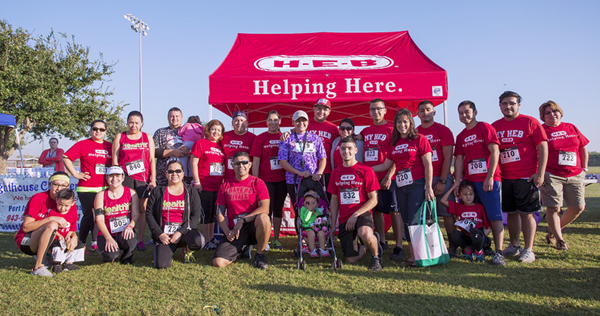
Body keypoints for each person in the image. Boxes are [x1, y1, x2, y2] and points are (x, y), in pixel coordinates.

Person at [372, 108, 434, 267]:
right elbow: (386, 164)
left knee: (414, 220)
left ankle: (419, 256)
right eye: (399, 122)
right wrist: (367, 169)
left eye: (405, 121)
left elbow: (428, 164)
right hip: (401, 186)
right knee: (406, 220)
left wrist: (428, 186)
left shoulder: (420, 139)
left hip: (417, 184)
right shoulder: (395, 143)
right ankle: (414, 255)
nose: (402, 125)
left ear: (411, 123)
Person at [492, 91, 548, 264]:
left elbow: (543, 147)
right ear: (499, 105)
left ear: (518, 105)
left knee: (527, 213)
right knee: (511, 213)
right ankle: (514, 244)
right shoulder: (495, 126)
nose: (508, 107)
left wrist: (540, 173)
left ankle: (528, 249)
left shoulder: (530, 122)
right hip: (505, 177)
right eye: (504, 103)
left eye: (512, 103)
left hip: (526, 176)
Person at [453, 100, 506, 266]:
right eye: (461, 113)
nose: (464, 115)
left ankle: (499, 253)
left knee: (494, 216)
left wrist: (490, 176)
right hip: (470, 183)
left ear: (475, 112)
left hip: (488, 181)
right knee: (473, 217)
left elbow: (495, 151)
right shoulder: (461, 136)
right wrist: (457, 183)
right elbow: (459, 160)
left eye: (467, 112)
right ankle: (480, 246)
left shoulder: (485, 128)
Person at [539, 101, 589, 251]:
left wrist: (584, 168)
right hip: (552, 174)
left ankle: (553, 230)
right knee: (554, 208)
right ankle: (559, 240)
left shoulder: (571, 127)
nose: (552, 114)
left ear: (560, 112)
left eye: (554, 111)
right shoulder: (541, 130)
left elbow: (583, 147)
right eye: (547, 113)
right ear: (542, 116)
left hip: (575, 174)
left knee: (578, 207)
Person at [329, 137, 382, 271]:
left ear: (356, 150)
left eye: (350, 148)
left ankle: (376, 257)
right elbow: (334, 201)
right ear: (339, 151)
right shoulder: (335, 173)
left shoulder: (366, 170)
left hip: (362, 213)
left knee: (364, 232)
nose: (346, 151)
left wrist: (356, 214)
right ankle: (364, 247)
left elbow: (373, 200)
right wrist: (332, 224)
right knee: (350, 259)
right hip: (345, 218)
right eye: (343, 148)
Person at [213, 152, 271, 269]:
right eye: (237, 163)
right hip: (235, 230)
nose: (241, 166)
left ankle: (260, 255)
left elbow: (265, 208)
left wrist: (242, 220)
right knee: (218, 262)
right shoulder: (225, 185)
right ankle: (243, 248)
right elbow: (219, 213)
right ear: (232, 165)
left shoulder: (258, 183)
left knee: (264, 218)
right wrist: (226, 231)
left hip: (253, 225)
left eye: (244, 162)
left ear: (249, 164)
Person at [360, 99, 402, 260]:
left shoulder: (392, 129)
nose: (375, 112)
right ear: (369, 111)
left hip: (388, 178)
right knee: (376, 210)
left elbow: (397, 154)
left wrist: (389, 175)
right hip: (371, 178)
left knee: (395, 211)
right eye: (372, 109)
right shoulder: (365, 131)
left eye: (379, 109)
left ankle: (398, 246)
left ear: (385, 110)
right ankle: (382, 241)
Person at [63, 120, 112, 252]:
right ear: (90, 130)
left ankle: (97, 241)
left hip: (105, 187)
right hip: (87, 187)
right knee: (90, 215)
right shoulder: (83, 144)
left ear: (105, 131)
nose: (98, 132)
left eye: (101, 129)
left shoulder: (110, 146)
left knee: (101, 215)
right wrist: (75, 174)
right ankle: (82, 242)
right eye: (95, 129)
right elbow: (66, 157)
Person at [14, 172, 76, 276]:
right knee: (52, 225)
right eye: (55, 184)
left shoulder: (68, 201)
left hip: (52, 238)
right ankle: (38, 267)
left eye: (63, 185)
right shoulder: (39, 198)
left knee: (78, 245)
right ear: (49, 184)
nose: (59, 188)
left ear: (68, 187)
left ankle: (51, 258)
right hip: (27, 240)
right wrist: (50, 218)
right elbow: (26, 227)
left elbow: (71, 226)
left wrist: (74, 236)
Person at [416, 100, 457, 256]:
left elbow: (448, 158)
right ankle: (430, 245)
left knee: (446, 213)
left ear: (434, 112)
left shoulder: (443, 130)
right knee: (426, 215)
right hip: (422, 179)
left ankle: (452, 245)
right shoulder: (416, 132)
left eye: (428, 109)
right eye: (421, 110)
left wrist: (443, 181)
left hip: (441, 177)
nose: (425, 113)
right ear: (417, 114)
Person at [146, 160, 205, 268]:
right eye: (171, 171)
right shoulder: (157, 191)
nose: (174, 174)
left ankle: (187, 251)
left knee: (198, 241)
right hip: (165, 235)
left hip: (184, 232)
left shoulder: (190, 191)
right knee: (161, 265)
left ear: (183, 173)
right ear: (166, 173)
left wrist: (180, 232)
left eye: (178, 171)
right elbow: (149, 214)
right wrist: (159, 234)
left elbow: (195, 216)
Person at [113, 110, 157, 251]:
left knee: (142, 209)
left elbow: (151, 160)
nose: (133, 125)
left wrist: (153, 179)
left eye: (137, 123)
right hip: (124, 178)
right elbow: (115, 159)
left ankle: (140, 240)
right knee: (123, 209)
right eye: (131, 122)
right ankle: (122, 237)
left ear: (141, 123)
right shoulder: (120, 136)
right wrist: (115, 178)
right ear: (127, 122)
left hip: (142, 179)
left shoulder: (147, 137)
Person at [278, 110, 327, 219]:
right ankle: (302, 234)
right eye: (298, 121)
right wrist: (299, 173)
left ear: (308, 122)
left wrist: (319, 173)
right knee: (299, 209)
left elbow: (323, 157)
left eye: (304, 121)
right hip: (294, 180)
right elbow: (283, 161)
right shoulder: (287, 139)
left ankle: (317, 233)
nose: (301, 123)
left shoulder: (315, 138)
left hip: (313, 179)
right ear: (293, 122)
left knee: (317, 208)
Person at [250, 110, 287, 250]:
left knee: (278, 209)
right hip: (265, 181)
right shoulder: (260, 138)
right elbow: (256, 161)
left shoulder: (284, 137)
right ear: (266, 122)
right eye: (270, 120)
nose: (273, 122)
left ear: (280, 121)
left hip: (282, 180)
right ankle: (265, 239)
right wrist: (255, 181)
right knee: (266, 211)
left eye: (275, 120)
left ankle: (276, 239)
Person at [191, 119, 226, 250]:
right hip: (204, 184)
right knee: (205, 213)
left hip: (217, 186)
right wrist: (197, 182)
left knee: (213, 213)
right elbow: (193, 163)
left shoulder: (221, 146)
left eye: (218, 130)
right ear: (208, 130)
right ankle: (206, 239)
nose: (216, 132)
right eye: (213, 129)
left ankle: (211, 238)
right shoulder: (200, 144)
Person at [94, 166, 139, 264]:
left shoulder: (131, 193)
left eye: (117, 175)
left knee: (130, 238)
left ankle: (127, 256)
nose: (114, 179)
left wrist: (130, 227)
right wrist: (108, 238)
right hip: (107, 233)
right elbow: (99, 220)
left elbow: (136, 215)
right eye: (111, 176)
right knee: (111, 256)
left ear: (123, 177)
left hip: (124, 232)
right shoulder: (100, 195)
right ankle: (108, 254)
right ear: (106, 178)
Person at [440, 180, 491, 263]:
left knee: (476, 233)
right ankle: (467, 250)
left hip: (478, 236)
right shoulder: (458, 207)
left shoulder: (480, 207)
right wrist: (454, 187)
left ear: (474, 195)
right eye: (465, 194)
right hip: (466, 236)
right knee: (454, 233)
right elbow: (443, 200)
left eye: (470, 194)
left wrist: (482, 238)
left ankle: (478, 252)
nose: (468, 197)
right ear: (459, 195)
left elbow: (487, 227)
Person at [46, 189, 85, 273]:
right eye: (60, 205)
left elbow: (73, 225)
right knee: (57, 248)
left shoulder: (72, 212)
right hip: (56, 238)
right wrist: (58, 235)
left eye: (66, 206)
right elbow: (49, 227)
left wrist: (70, 234)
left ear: (72, 203)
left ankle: (69, 262)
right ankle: (57, 264)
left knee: (77, 246)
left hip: (67, 237)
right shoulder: (52, 212)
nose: (63, 208)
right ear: (56, 200)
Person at [307, 98, 340, 191]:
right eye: (319, 108)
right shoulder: (306, 124)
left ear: (329, 111)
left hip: (327, 171)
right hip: (308, 171)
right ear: (314, 109)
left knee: (327, 201)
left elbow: (343, 141)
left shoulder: (333, 128)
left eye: (325, 109)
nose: (321, 111)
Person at [153, 107, 188, 186]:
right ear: (168, 117)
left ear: (181, 117)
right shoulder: (160, 132)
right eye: (171, 116)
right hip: (163, 179)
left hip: (185, 179)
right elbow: (154, 151)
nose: (174, 118)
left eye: (177, 116)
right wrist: (173, 152)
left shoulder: (189, 132)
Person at [222, 111, 256, 181]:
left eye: (242, 121)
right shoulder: (224, 136)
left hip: (246, 179)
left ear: (246, 123)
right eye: (236, 121)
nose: (239, 123)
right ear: (232, 123)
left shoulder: (254, 138)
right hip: (228, 178)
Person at [299, 190, 330, 258]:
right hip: (307, 229)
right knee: (311, 233)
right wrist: (309, 210)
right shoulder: (303, 210)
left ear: (317, 204)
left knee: (321, 233)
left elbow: (324, 219)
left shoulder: (318, 212)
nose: (310, 204)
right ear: (304, 203)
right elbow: (305, 220)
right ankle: (312, 251)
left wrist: (324, 222)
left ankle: (322, 250)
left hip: (318, 228)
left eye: (313, 202)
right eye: (307, 202)